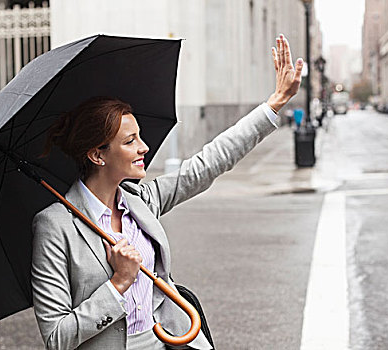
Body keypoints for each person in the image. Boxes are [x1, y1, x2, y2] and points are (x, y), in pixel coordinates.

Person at [31, 34, 303, 350]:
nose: (144, 148)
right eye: (129, 141)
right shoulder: (55, 226)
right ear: (97, 155)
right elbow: (56, 338)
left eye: (140, 137)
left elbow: (207, 164)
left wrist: (275, 103)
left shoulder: (140, 201)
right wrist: (118, 284)